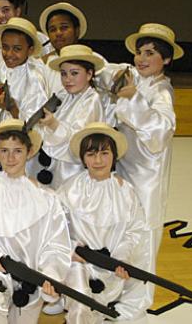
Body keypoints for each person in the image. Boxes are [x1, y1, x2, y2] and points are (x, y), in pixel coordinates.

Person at [106, 23, 182, 321]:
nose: (141, 58)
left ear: (165, 59)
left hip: (147, 175)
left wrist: (133, 99)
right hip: (125, 167)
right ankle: (117, 291)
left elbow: (160, 133)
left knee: (145, 235)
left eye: (150, 53)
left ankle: (137, 301)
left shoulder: (162, 91)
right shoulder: (135, 78)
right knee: (122, 230)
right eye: (139, 52)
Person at [0, 118, 71, 323]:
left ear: (29, 152)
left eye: (17, 150)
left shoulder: (47, 198)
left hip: (32, 279)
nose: (10, 158)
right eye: (4, 151)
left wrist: (50, 274)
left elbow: (56, 244)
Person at [59, 122, 146, 323]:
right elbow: (55, 229)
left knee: (97, 311)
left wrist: (121, 259)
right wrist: (71, 250)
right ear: (82, 158)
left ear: (114, 156)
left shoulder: (126, 192)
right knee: (81, 305)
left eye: (104, 153)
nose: (98, 160)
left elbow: (134, 231)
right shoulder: (69, 189)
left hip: (110, 268)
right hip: (76, 263)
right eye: (91, 154)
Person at [36, 44, 105, 189]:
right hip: (57, 166)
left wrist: (53, 124)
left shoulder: (92, 100)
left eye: (74, 73)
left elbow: (78, 137)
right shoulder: (63, 95)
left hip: (75, 169)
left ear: (89, 74)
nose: (68, 79)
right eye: (63, 74)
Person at [0, 17, 48, 121]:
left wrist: (14, 109)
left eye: (17, 49)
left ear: (30, 50)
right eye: (5, 47)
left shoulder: (34, 79)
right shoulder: (1, 67)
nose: (9, 54)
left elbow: (35, 123)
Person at [38, 2, 97, 99]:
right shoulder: (42, 64)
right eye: (52, 29)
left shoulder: (91, 59)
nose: (58, 33)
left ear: (77, 31)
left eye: (64, 27)